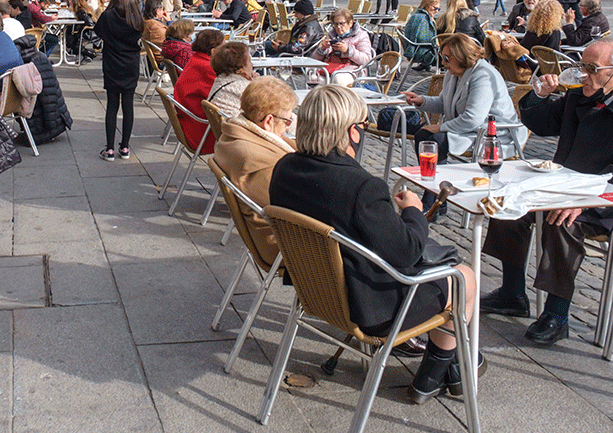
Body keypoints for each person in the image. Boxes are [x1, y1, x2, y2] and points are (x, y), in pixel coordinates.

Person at [267, 85, 479, 404]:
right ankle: (431, 379)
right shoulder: (362, 187)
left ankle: (453, 369)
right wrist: (413, 211)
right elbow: (408, 251)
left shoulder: (285, 169)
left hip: (316, 291)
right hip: (368, 307)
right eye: (363, 128)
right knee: (465, 277)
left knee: (446, 267)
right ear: (352, 132)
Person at [479, 39, 613, 345]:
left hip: (603, 197)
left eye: (592, 68)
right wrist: (539, 95)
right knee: (509, 202)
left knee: (561, 220)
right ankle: (513, 293)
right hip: (562, 185)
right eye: (581, 65)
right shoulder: (577, 98)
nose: (583, 74)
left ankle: (558, 314)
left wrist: (587, 199)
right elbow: (540, 123)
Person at [402, 33, 526, 208]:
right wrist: (421, 101)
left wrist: (441, 127)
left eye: (447, 58)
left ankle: (435, 201)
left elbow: (473, 118)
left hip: (494, 135)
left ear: (461, 56)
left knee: (434, 140)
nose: (443, 63)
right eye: (442, 57)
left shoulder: (483, 75)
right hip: (469, 129)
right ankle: (436, 193)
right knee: (424, 135)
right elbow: (443, 102)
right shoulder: (454, 73)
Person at [213, 78, 297, 267]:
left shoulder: (233, 134)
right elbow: (301, 206)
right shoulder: (260, 161)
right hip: (280, 245)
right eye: (287, 121)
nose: (288, 127)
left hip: (259, 235)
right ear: (268, 121)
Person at [94, 0, 144, 161]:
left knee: (112, 106)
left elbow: (98, 31)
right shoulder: (137, 17)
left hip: (112, 63)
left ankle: (109, 149)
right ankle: (125, 147)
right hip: (131, 64)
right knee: (128, 106)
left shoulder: (108, 16)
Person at [174, 29, 225, 154]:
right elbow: (222, 96)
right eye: (224, 46)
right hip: (203, 132)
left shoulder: (196, 59)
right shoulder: (208, 67)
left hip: (191, 123)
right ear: (214, 51)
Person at [313, 8, 373, 76]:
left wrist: (348, 50)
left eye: (342, 23)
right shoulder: (331, 34)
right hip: (331, 66)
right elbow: (315, 58)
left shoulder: (361, 35)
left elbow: (367, 60)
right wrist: (322, 49)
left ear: (350, 23)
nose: (338, 27)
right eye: (336, 24)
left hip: (353, 70)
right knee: (312, 76)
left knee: (338, 77)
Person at [207, 41, 255, 120]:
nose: (252, 64)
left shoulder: (222, 80)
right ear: (241, 68)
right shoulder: (243, 87)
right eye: (249, 61)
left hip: (226, 128)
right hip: (238, 129)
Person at [403, 0, 440, 69]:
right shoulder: (423, 19)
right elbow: (423, 39)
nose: (436, 11)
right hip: (421, 52)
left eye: (438, 9)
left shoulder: (417, 15)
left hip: (415, 49)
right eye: (435, 8)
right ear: (426, 5)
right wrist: (438, 44)